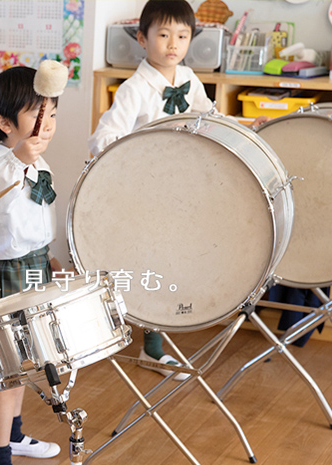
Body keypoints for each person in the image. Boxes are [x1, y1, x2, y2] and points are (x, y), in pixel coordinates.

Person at [88, 0, 213, 380]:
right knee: (153, 261)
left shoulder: (190, 79)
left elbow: (208, 117)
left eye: (181, 35)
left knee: (174, 259)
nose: (172, 44)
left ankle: (157, 338)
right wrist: (140, 152)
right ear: (142, 39)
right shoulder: (134, 88)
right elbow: (103, 137)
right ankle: (152, 347)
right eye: (162, 34)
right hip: (146, 190)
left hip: (182, 187)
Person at [0, 65, 64, 465]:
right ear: (5, 124)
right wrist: (20, 159)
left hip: (34, 267)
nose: (48, 125)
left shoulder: (35, 160)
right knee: (8, 374)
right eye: (37, 115)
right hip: (6, 276)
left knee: (28, 361)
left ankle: (14, 435)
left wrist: (51, 258)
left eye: (52, 114)